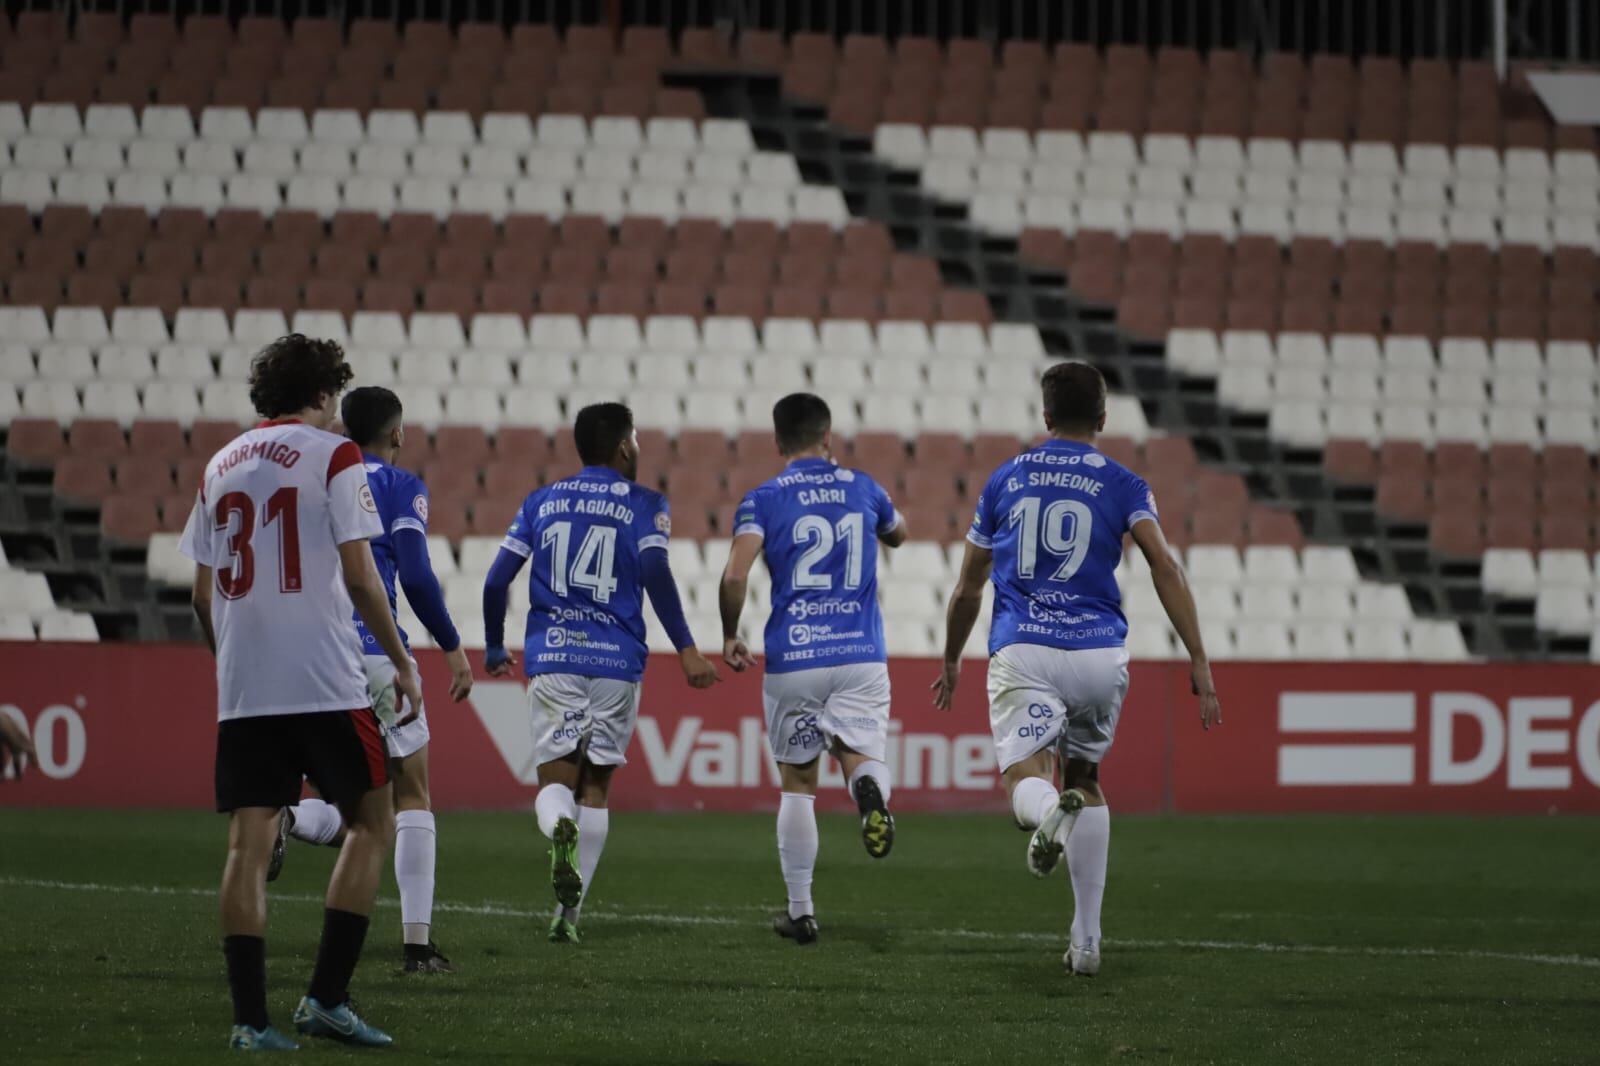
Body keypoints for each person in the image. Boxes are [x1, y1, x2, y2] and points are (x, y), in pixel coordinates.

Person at [932, 361, 1221, 978]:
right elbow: (1164, 567)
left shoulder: (1005, 479)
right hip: (1097, 656)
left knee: (1023, 780)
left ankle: (1046, 817)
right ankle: (1086, 942)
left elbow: (968, 587)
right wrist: (1197, 655)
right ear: (1103, 418)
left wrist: (953, 657)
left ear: (1044, 416)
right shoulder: (1125, 484)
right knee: (1086, 778)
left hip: (1026, 647)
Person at [180, 334, 418, 1050]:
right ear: (321, 395)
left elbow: (200, 595)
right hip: (322, 676)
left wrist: (234, 663)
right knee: (373, 822)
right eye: (335, 396)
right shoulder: (335, 453)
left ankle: (251, 1022)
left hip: (246, 684)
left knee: (246, 846)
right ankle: (325, 999)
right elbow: (359, 574)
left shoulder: (219, 465)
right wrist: (403, 659)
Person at [482, 402, 719, 944]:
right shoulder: (645, 503)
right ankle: (569, 915)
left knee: (554, 782)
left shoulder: (541, 501)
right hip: (616, 661)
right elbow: (656, 570)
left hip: (556, 656)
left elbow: (497, 581)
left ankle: (556, 826)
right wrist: (685, 648)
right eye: (634, 440)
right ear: (623, 447)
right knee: (597, 789)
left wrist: (495, 645)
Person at [274, 386, 474, 975]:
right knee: (411, 795)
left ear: (341, 429)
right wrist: (453, 648)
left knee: (354, 805)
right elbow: (413, 572)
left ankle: (286, 817)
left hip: (310, 657)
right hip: (373, 656)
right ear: (397, 434)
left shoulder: (311, 479)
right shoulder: (398, 486)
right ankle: (417, 946)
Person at [719, 393, 906, 947]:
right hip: (859, 654)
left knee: (798, 785)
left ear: (778, 442)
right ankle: (871, 794)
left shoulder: (763, 498)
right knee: (863, 758)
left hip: (794, 657)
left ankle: (801, 913)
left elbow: (735, 575)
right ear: (829, 436)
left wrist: (730, 633)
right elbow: (899, 534)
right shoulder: (864, 487)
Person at [0, 713, 36, 779]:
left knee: (16, 749)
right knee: (16, 749)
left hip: (9, 730)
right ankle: (16, 773)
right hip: (9, 731)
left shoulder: (8, 725)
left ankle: (16, 773)